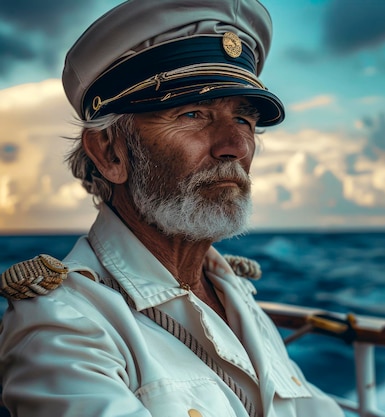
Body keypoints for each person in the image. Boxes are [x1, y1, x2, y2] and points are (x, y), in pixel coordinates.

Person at [0, 1, 344, 416]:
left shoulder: (232, 291)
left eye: (244, 120)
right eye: (194, 113)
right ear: (111, 153)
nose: (234, 147)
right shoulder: (63, 325)